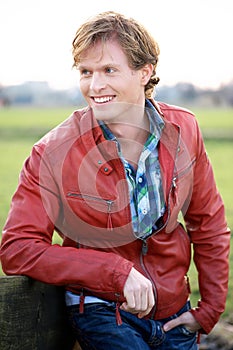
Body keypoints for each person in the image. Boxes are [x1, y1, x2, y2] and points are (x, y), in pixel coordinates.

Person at [0, 11, 230, 350]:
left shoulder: (185, 130)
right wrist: (113, 272)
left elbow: (208, 223)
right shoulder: (51, 152)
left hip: (174, 315)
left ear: (144, 72)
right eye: (86, 72)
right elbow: (18, 249)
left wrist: (209, 310)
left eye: (109, 70)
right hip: (102, 310)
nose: (95, 86)